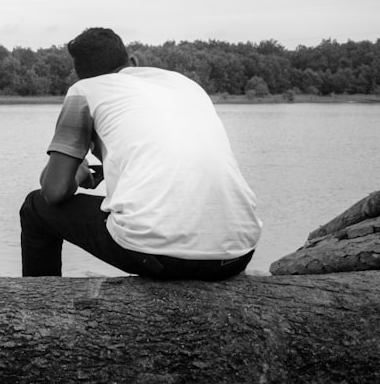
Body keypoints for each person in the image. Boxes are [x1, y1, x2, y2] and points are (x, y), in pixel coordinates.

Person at [20, 27, 261, 280]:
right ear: (133, 62)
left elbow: (53, 191)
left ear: (82, 77)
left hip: (160, 257)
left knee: (35, 208)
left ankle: (39, 304)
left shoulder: (84, 91)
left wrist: (78, 174)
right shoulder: (185, 85)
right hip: (237, 254)